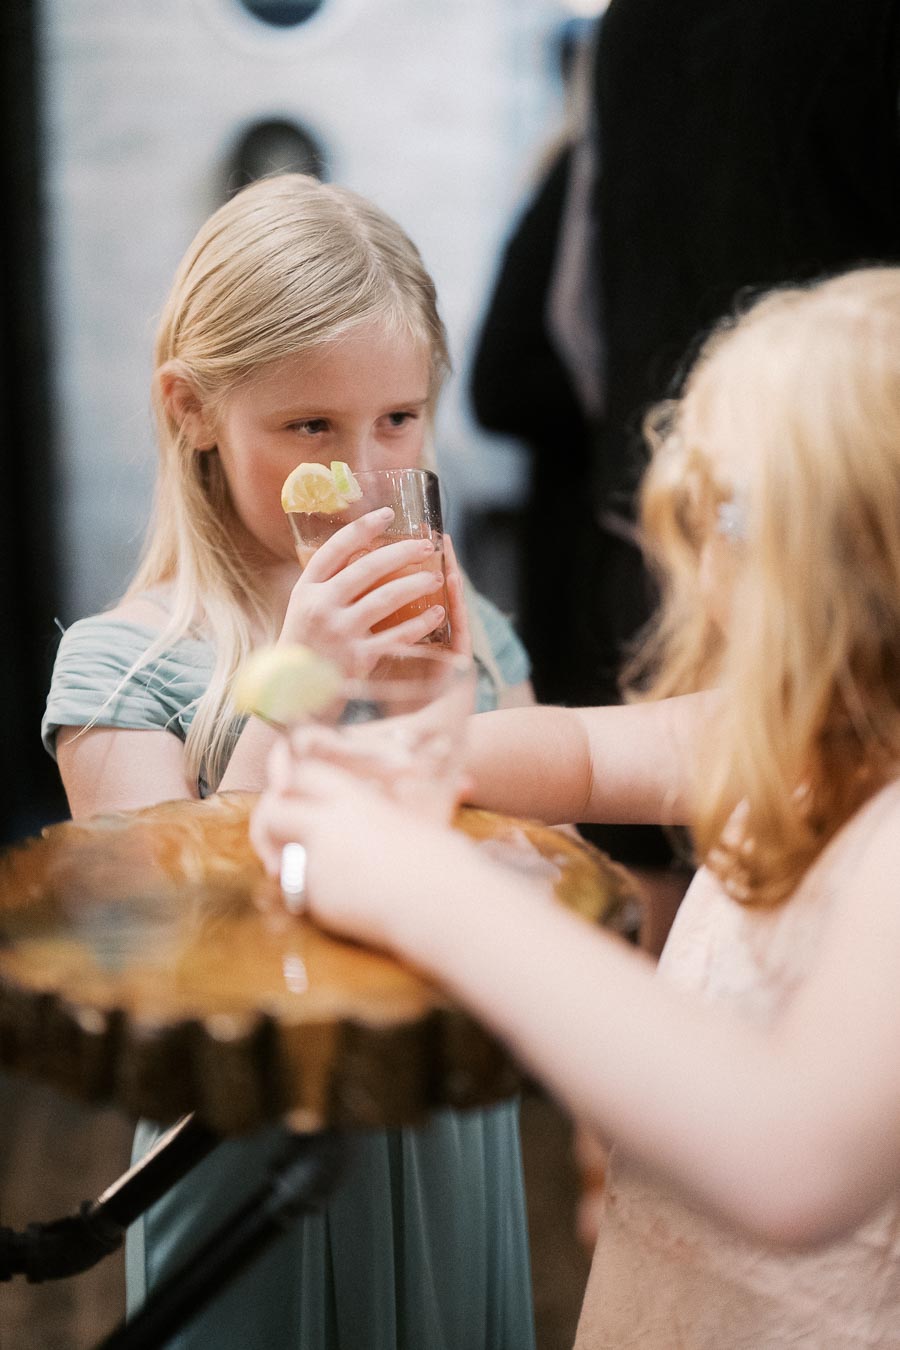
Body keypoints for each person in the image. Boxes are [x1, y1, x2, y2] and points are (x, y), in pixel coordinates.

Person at [253, 267, 900, 1348]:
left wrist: (427, 890)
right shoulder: (805, 730)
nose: (689, 563)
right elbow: (587, 753)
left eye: (716, 521)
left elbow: (792, 1154)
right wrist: (428, 755)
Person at [42, 173, 537, 1350]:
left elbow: (534, 868)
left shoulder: (468, 631)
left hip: (449, 1142)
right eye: (311, 427)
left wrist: (453, 717)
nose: (365, 472)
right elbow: (169, 961)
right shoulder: (122, 670)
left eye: (399, 422)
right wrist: (297, 682)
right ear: (192, 410)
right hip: (240, 1174)